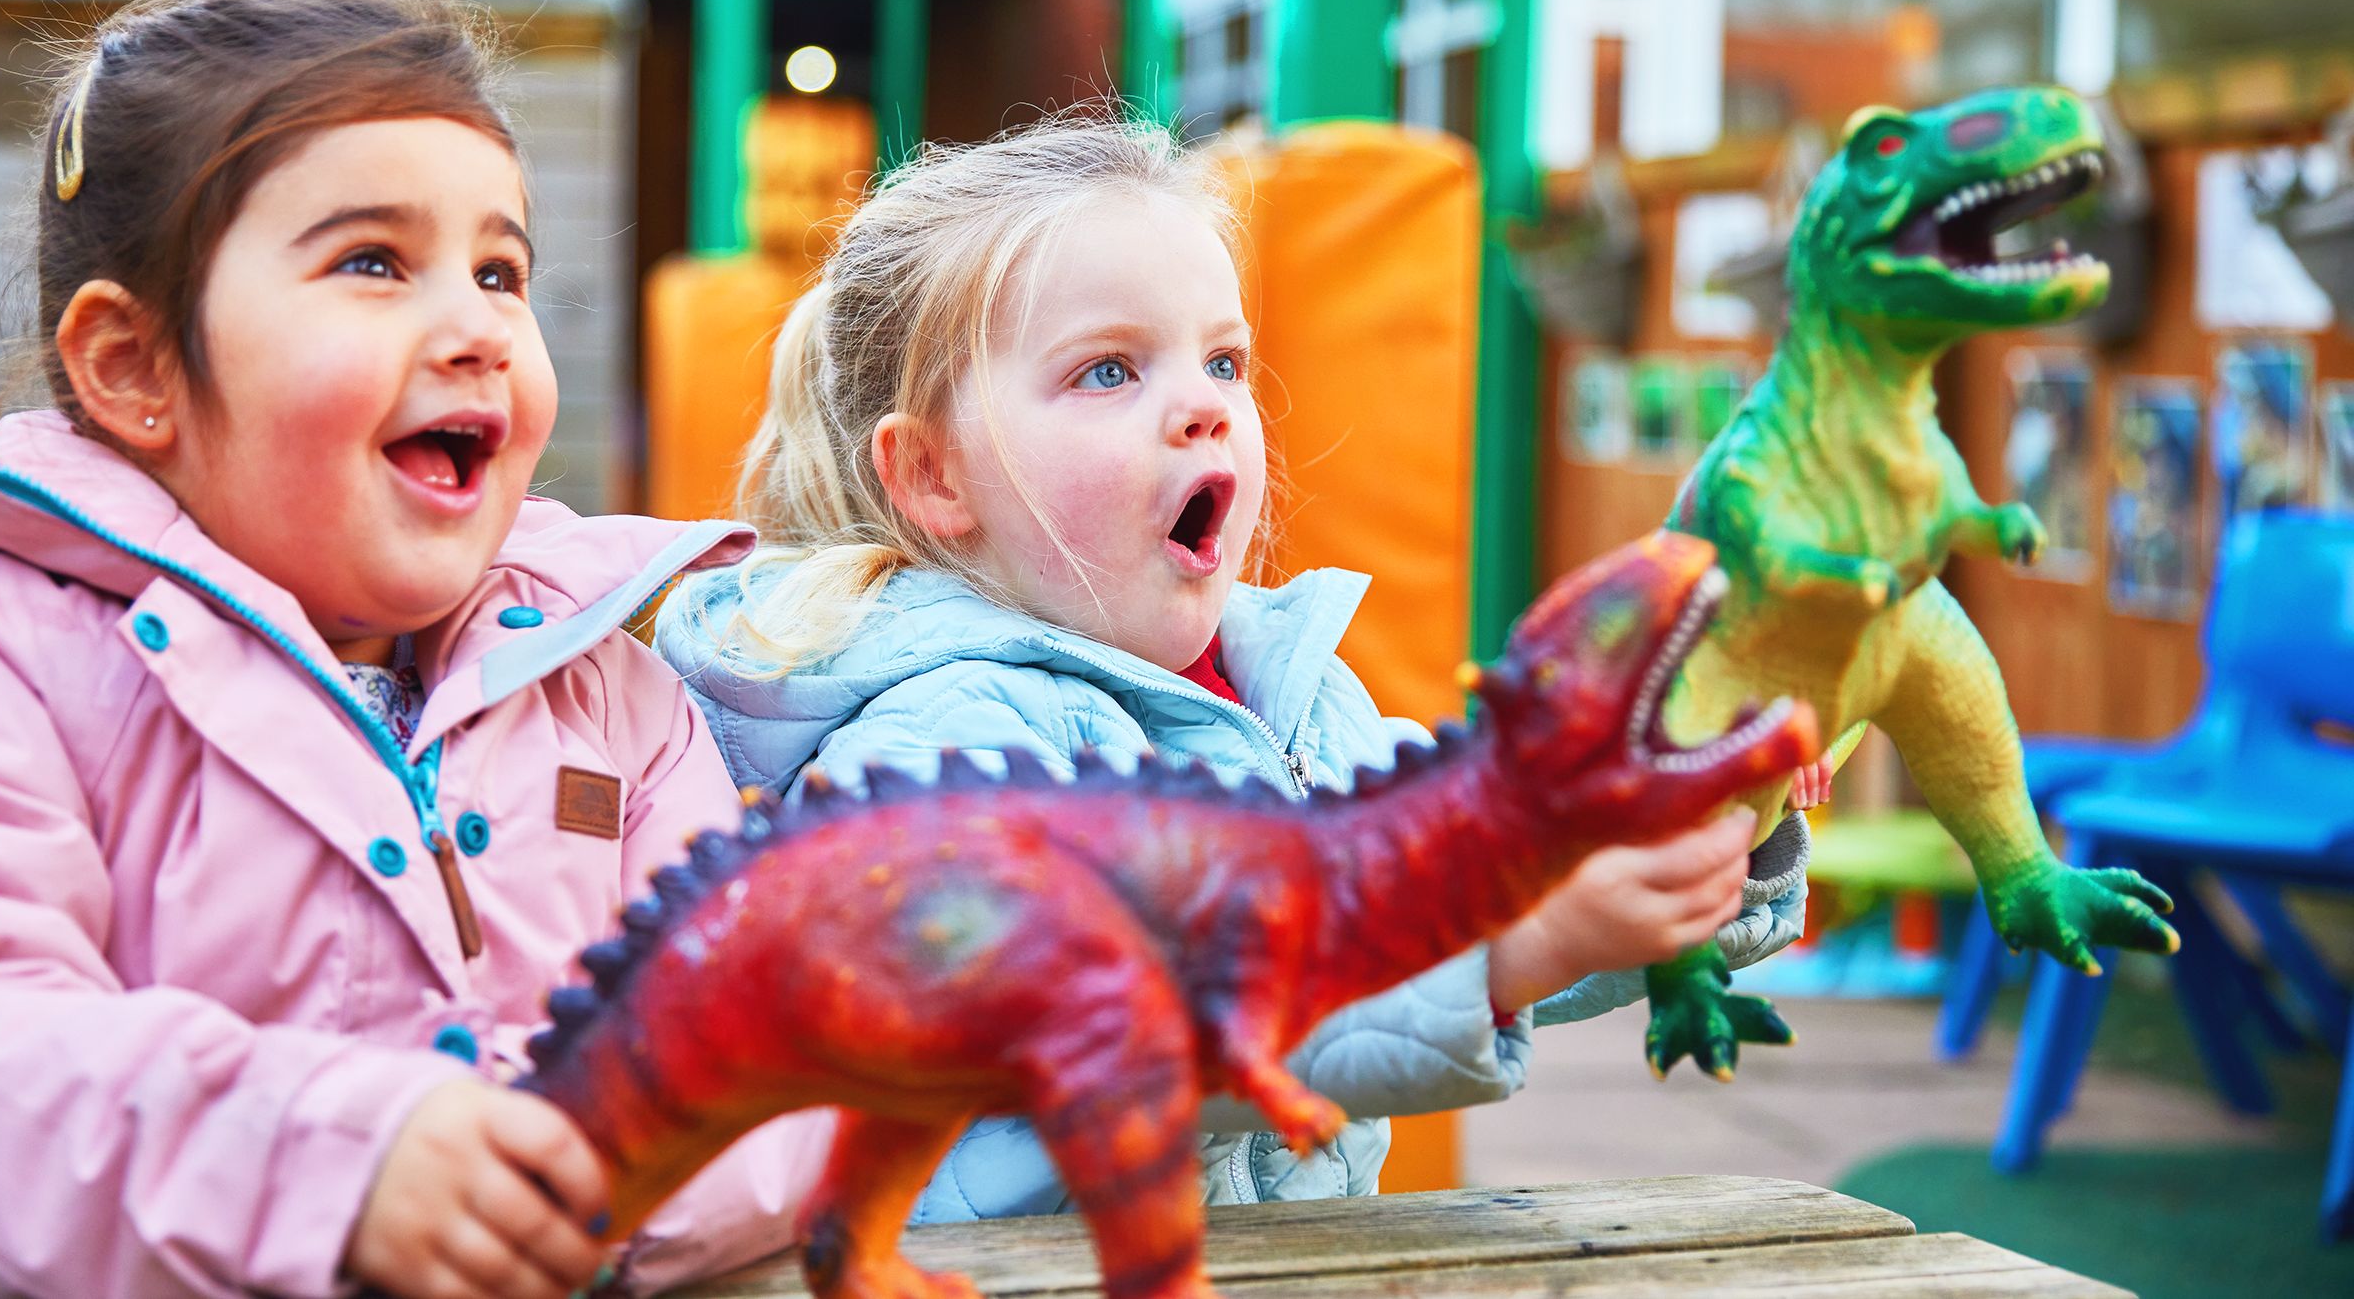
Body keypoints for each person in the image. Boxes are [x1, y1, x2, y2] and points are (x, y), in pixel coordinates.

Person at [0, 0, 827, 1299]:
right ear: (135, 367)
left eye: (502, 270)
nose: (475, 326)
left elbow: (779, 1035)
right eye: (374, 262)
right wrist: (333, 1167)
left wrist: (556, 1172)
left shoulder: (601, 686)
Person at [657, 115, 1813, 1222]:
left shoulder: (1288, 693)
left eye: (1223, 359)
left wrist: (1689, 813)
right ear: (934, 476)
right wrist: (1507, 954)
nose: (1204, 408)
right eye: (1109, 371)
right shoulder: (937, 749)